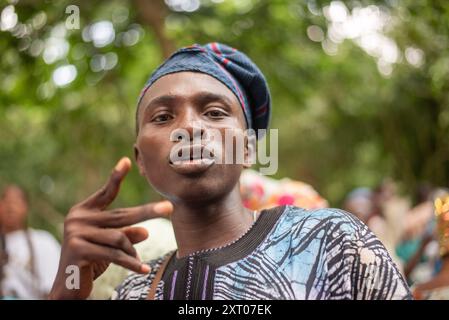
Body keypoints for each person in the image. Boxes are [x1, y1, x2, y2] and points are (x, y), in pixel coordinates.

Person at [49, 42, 411, 300]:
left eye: (214, 112)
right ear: (141, 159)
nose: (188, 127)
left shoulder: (332, 242)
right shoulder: (135, 289)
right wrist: (65, 292)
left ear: (249, 147)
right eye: (162, 117)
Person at [0, 185, 61, 299]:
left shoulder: (44, 242)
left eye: (16, 201)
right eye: (6, 201)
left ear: (26, 207)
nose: (10, 207)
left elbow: (53, 289)